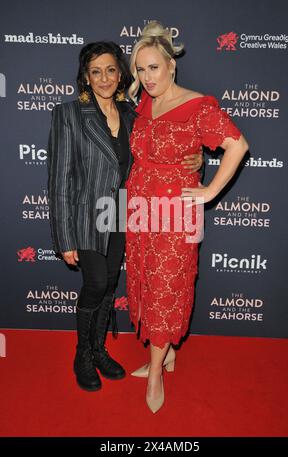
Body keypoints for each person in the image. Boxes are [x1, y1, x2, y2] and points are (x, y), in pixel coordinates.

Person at [47, 41, 203, 392]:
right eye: (96, 71)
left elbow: (166, 149)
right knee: (97, 283)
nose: (104, 78)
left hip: (123, 213)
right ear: (86, 76)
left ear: (120, 74)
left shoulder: (135, 112)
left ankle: (100, 349)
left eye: (110, 70)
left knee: (110, 285)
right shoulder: (68, 114)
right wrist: (64, 238)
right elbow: (58, 181)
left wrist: (198, 160)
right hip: (85, 215)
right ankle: (82, 354)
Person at [126, 21, 249, 413]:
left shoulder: (199, 106)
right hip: (142, 211)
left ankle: (158, 372)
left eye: (153, 68)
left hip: (175, 217)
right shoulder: (146, 103)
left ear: (171, 66)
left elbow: (237, 144)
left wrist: (210, 190)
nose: (147, 77)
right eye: (140, 70)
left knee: (166, 290)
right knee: (148, 284)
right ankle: (167, 355)